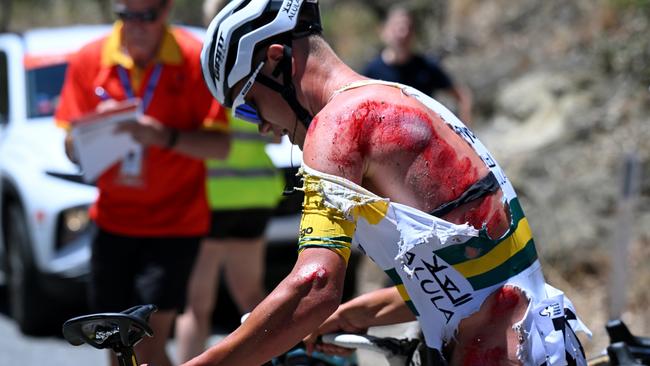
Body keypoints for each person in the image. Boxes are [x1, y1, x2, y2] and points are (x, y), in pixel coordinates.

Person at [185, 0, 591, 365]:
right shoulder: (397, 96)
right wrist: (364, 311)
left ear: (276, 59)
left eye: (249, 106)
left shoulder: (336, 125)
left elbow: (315, 286)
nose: (262, 129)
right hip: (541, 342)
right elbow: (479, 270)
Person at [54, 1, 230, 365]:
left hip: (174, 225)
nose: (135, 24)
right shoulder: (90, 58)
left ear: (166, 11)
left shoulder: (191, 57)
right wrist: (92, 130)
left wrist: (164, 137)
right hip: (112, 222)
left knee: (145, 342)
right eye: (125, 15)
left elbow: (220, 146)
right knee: (114, 343)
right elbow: (70, 149)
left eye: (146, 15)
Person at [175, 108, 285, 362]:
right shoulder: (253, 91)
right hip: (256, 193)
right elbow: (277, 136)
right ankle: (277, 358)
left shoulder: (206, 91)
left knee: (195, 306)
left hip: (211, 196)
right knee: (250, 293)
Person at [363, 5, 473, 124]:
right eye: (397, 27)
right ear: (383, 31)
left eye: (408, 27)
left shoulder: (427, 67)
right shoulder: (372, 72)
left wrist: (465, 134)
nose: (403, 32)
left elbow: (462, 96)